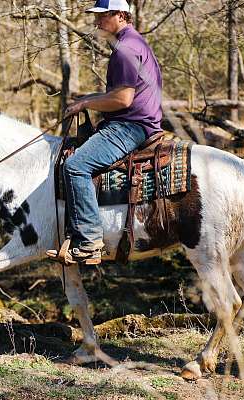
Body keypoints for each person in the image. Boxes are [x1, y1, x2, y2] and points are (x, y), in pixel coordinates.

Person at [48, 0, 163, 264]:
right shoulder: (138, 44)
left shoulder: (124, 50)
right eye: (96, 16)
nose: (97, 21)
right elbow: (119, 94)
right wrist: (89, 98)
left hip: (130, 126)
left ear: (121, 15)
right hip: (141, 121)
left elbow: (122, 99)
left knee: (75, 166)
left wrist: (87, 103)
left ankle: (89, 241)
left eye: (103, 16)